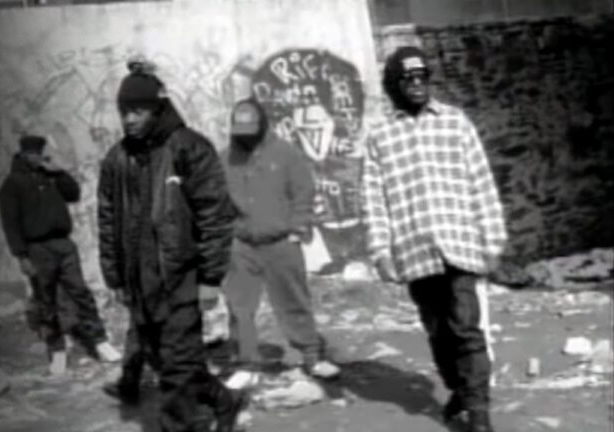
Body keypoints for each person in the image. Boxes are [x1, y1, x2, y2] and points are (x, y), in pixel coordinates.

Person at [362, 46, 508, 432]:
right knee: (439, 333)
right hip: (414, 252)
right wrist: (380, 251)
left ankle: (479, 413)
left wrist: (493, 240)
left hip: (460, 245)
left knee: (467, 329)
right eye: (407, 79)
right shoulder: (380, 136)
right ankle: (459, 387)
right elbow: (374, 199)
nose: (416, 84)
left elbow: (481, 183)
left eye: (422, 76)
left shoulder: (456, 123)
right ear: (393, 85)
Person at [97, 59, 247, 432]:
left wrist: (210, 278)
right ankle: (224, 400)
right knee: (169, 362)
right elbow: (108, 219)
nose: (129, 119)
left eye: (138, 111)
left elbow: (215, 215)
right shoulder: (117, 158)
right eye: (124, 112)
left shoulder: (189, 148)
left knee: (177, 370)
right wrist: (115, 277)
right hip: (140, 283)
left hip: (181, 278)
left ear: (157, 109)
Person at [221, 98, 341, 384]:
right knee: (239, 307)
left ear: (262, 124)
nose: (246, 134)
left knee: (294, 301)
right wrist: (226, 234)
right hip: (241, 244)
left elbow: (303, 191)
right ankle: (246, 364)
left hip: (281, 242)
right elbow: (215, 199)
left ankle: (311, 357)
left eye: (251, 127)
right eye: (240, 128)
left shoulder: (286, 153)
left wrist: (298, 227)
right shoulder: (224, 158)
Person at [0, 135, 120, 374]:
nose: (37, 157)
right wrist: (21, 256)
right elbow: (10, 223)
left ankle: (100, 342)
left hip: (64, 244)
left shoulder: (50, 176)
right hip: (37, 248)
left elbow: (73, 194)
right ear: (23, 154)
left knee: (81, 293)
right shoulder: (12, 184)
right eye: (32, 153)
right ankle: (57, 350)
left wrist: (59, 172)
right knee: (46, 300)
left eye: (39, 153)